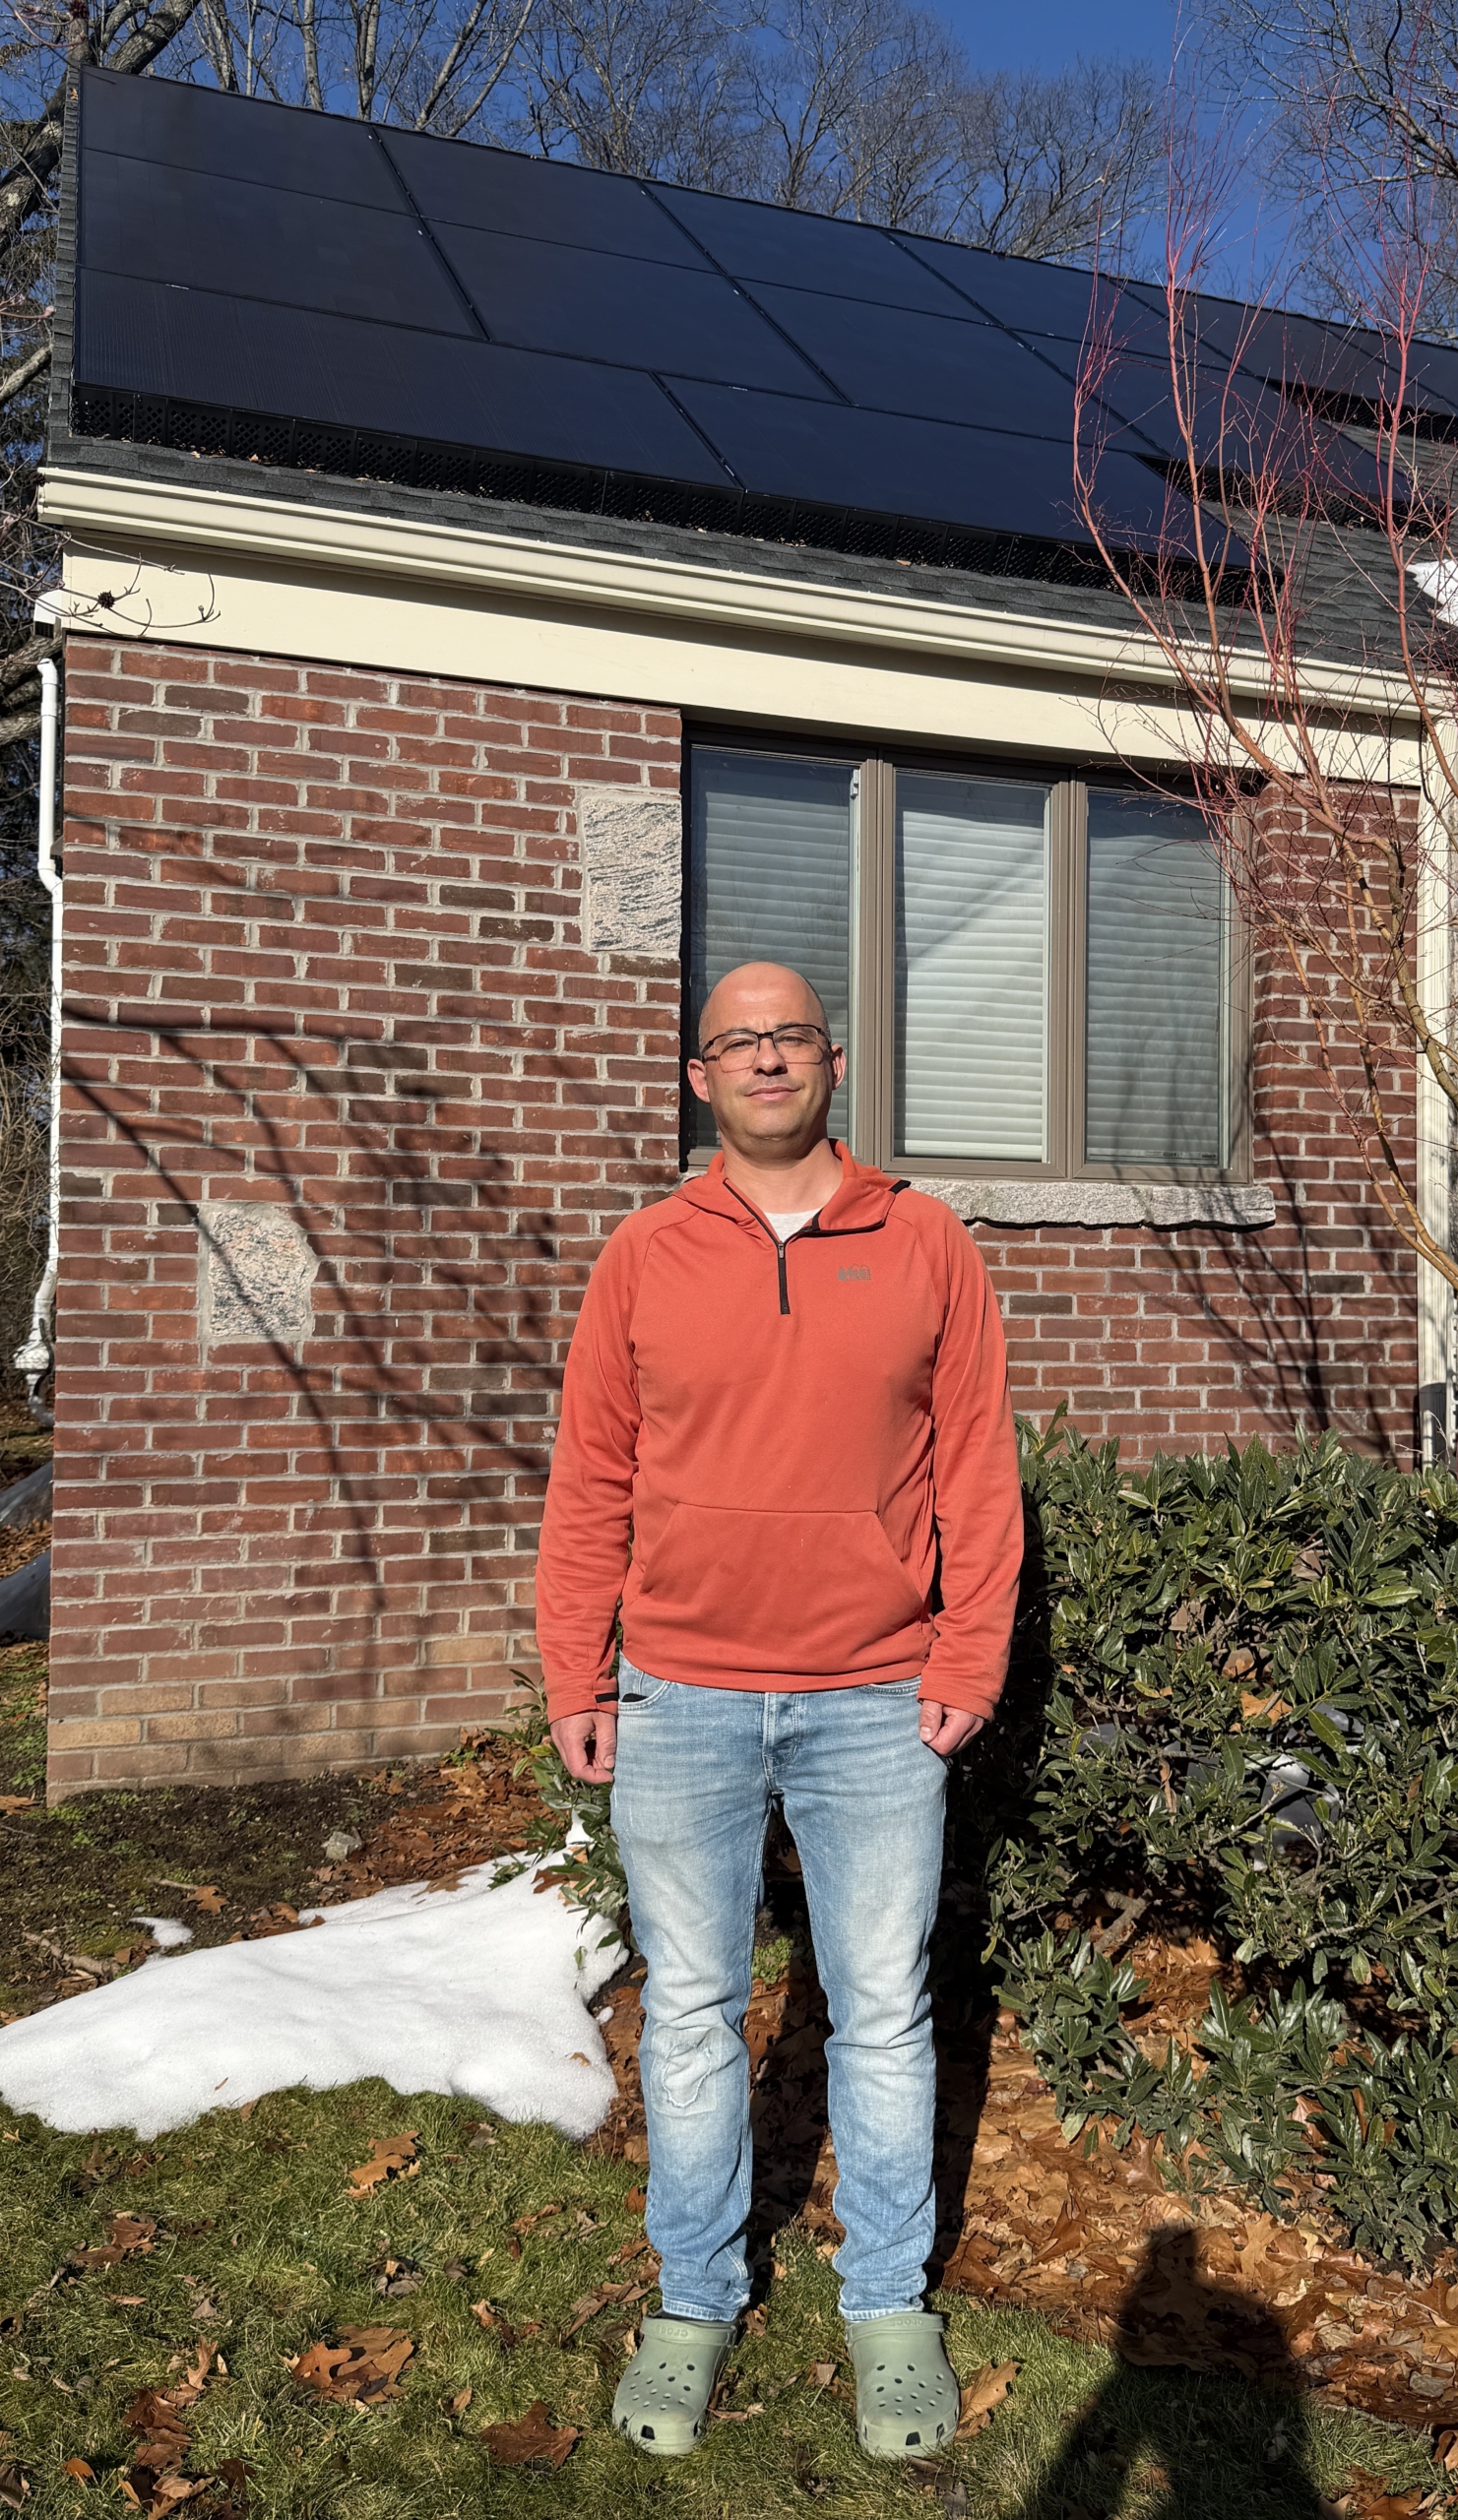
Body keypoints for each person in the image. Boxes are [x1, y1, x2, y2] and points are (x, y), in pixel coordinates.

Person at [534, 960, 1023, 2461]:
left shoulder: (926, 1242)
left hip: (877, 1699)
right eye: (734, 1041)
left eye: (789, 1035)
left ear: (832, 1060)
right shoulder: (643, 1256)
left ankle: (886, 2304)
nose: (764, 1059)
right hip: (678, 1694)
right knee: (686, 2011)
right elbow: (591, 1477)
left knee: (882, 2013)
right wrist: (578, 1669)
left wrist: (968, 1665)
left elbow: (977, 1473)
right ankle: (694, 2296)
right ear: (700, 1077)